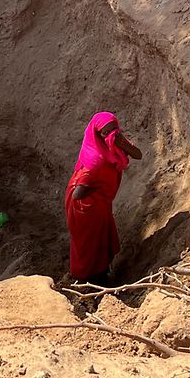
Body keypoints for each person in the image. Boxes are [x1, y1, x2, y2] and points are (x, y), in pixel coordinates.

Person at [64, 112, 143, 285]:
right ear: (97, 134)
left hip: (100, 203)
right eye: (105, 133)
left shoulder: (115, 143)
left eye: (114, 129)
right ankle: (88, 280)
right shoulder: (95, 160)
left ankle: (101, 273)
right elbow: (78, 193)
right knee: (90, 244)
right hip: (86, 207)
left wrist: (123, 143)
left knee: (102, 239)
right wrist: (99, 191)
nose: (111, 135)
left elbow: (138, 154)